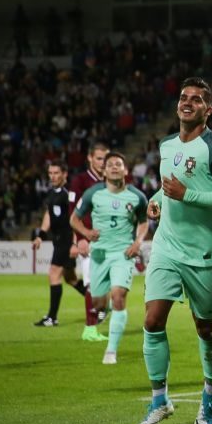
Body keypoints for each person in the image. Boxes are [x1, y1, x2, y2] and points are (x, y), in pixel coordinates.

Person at [136, 77, 212, 424]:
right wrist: (157, 199)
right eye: (183, 97)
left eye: (196, 99)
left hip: (201, 254)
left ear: (207, 109)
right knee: (152, 321)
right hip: (166, 245)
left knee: (205, 327)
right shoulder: (167, 145)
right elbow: (170, 188)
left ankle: (210, 395)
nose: (188, 102)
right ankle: (159, 400)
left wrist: (187, 196)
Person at [70, 153, 149, 365]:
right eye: (110, 165)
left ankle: (111, 351)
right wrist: (85, 234)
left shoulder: (137, 196)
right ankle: (106, 309)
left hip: (123, 254)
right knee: (98, 303)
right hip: (99, 254)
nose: (115, 167)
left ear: (125, 170)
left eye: (119, 164)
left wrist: (138, 242)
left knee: (118, 295)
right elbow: (74, 219)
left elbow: (143, 222)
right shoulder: (92, 194)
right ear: (104, 172)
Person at [32, 161, 88, 327]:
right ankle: (100, 304)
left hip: (66, 240)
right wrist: (41, 235)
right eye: (50, 173)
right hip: (58, 240)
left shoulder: (68, 194)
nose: (53, 176)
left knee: (53, 274)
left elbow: (76, 218)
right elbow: (48, 214)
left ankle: (52, 317)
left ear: (65, 174)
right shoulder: (51, 194)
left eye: (56, 173)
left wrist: (75, 243)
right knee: (70, 279)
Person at [69, 142, 109, 341]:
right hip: (89, 240)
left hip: (110, 240)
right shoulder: (80, 181)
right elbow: (73, 212)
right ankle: (90, 329)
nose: (103, 163)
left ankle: (102, 310)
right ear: (90, 158)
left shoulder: (111, 181)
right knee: (92, 284)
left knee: (109, 285)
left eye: (105, 159)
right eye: (100, 158)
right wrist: (79, 239)